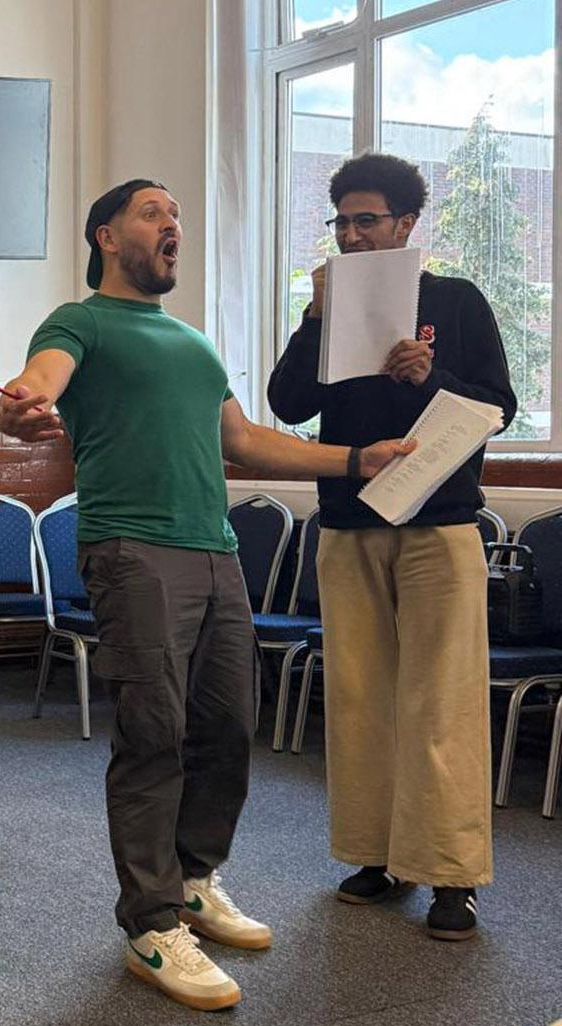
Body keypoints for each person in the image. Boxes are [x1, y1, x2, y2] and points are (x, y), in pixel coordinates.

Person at [0, 179, 412, 1012]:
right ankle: (150, 924)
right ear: (108, 237)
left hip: (215, 553)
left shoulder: (193, 341)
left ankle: (191, 880)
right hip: (132, 550)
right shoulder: (80, 322)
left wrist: (357, 458)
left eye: (176, 213)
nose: (172, 224)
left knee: (227, 726)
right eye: (153, 212)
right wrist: (22, 409)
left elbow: (245, 440)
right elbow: (38, 379)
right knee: (155, 734)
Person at [268, 153, 515, 941]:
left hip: (438, 526)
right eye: (340, 221)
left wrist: (431, 372)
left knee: (439, 703)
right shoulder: (328, 308)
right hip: (348, 524)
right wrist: (312, 321)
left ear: (406, 225)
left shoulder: (457, 302)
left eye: (365, 220)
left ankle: (449, 872)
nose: (349, 233)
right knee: (358, 699)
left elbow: (497, 408)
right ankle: (376, 855)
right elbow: (287, 402)